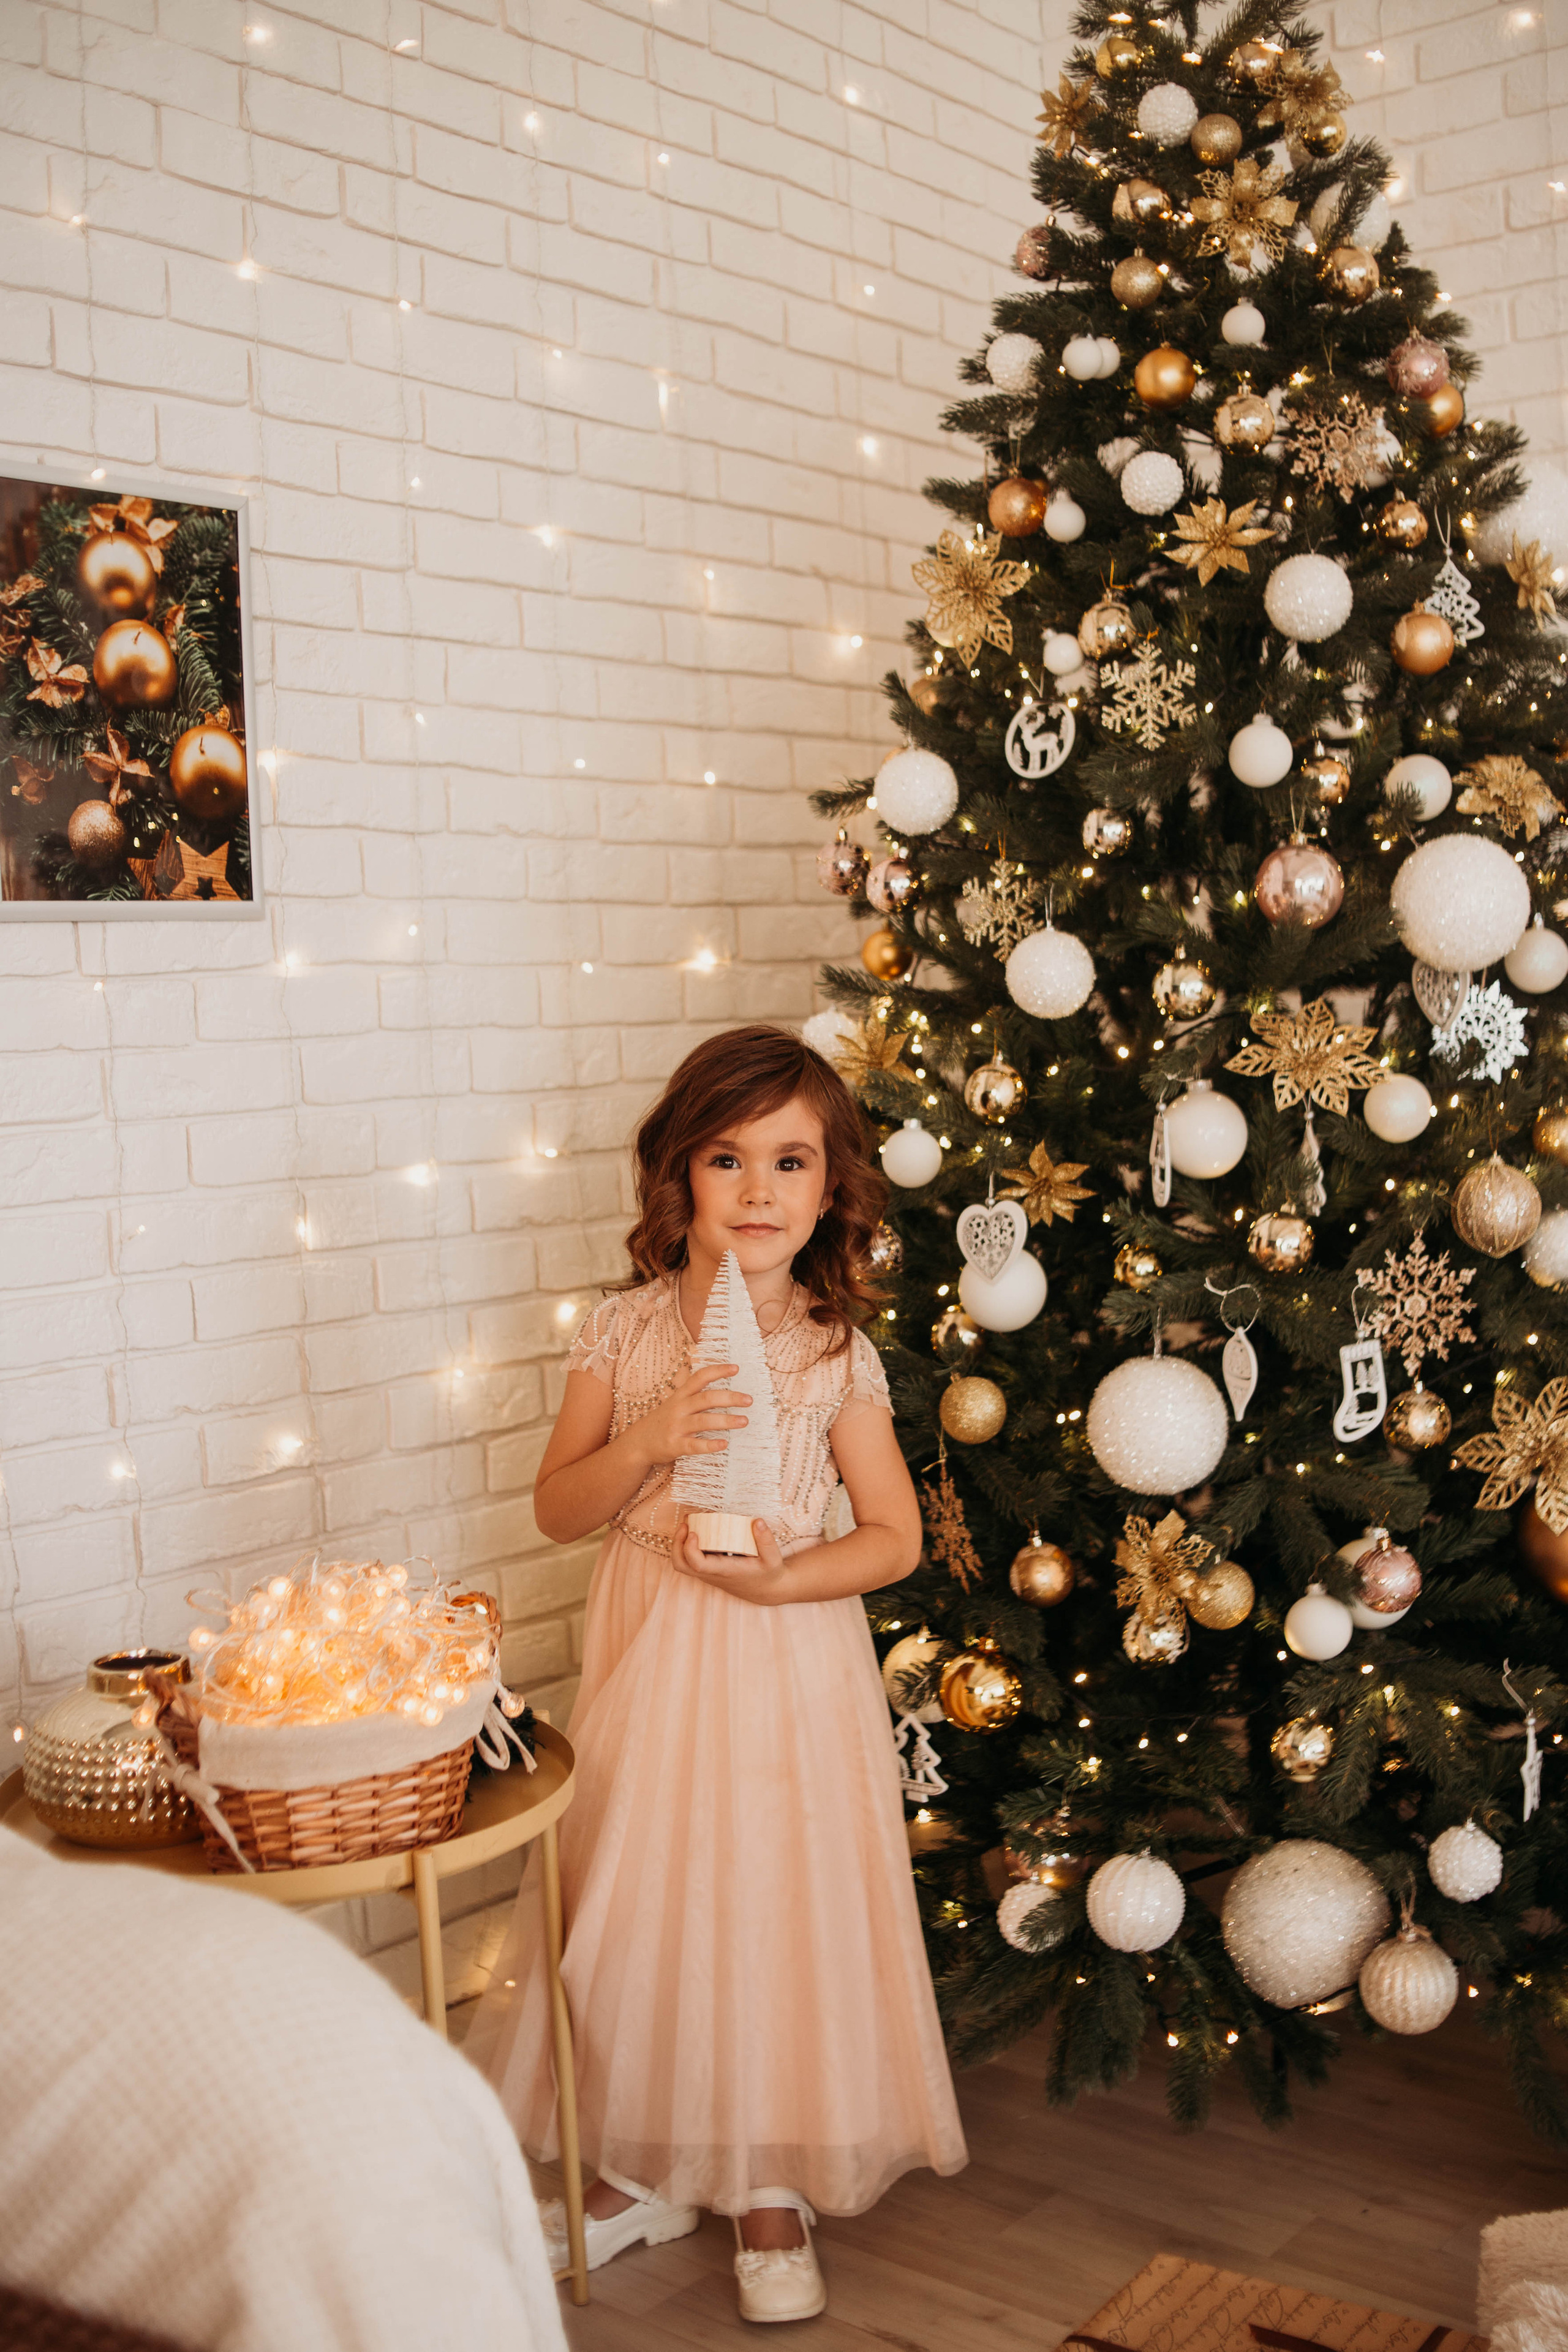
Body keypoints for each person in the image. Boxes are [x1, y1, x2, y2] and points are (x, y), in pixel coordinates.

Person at [481, 1024, 967, 2324]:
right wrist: (648, 1437)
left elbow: (891, 1538)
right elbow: (556, 1510)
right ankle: (640, 2160)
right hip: (651, 1648)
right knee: (640, 1892)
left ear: (830, 1190)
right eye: (726, 1158)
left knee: (767, 1893)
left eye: (790, 1162)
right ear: (679, 1179)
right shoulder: (623, 1331)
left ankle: (765, 2181)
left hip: (786, 1654)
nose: (757, 1192)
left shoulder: (830, 1352)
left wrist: (780, 1581)